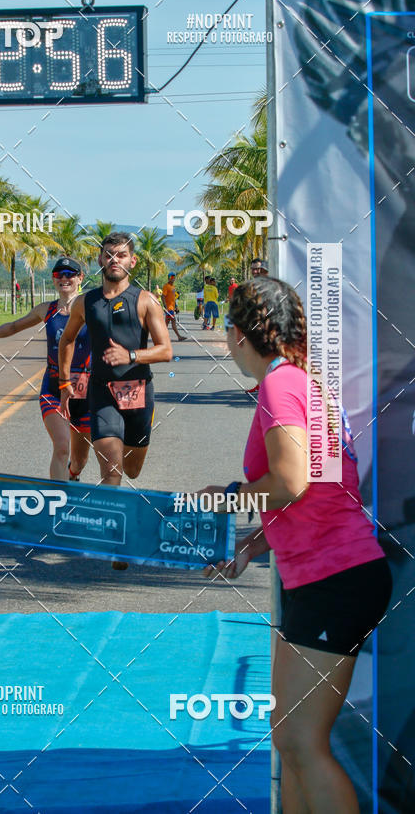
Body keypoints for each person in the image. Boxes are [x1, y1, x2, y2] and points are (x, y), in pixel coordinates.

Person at [197, 277, 392, 814]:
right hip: (322, 576)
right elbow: (313, 498)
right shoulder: (301, 382)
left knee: (302, 743)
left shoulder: (281, 387)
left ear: (237, 335)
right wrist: (250, 548)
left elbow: (291, 481)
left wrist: (230, 497)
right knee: (289, 740)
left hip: (337, 577)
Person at [59, 232, 173, 491]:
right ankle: (109, 526)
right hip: (101, 392)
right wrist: (64, 382)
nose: (114, 260)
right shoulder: (84, 302)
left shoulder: (146, 300)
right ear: (100, 259)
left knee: (132, 470)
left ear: (132, 261)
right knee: (112, 469)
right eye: (109, 255)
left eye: (121, 255)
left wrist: (131, 355)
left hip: (139, 393)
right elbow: (67, 340)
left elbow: (165, 350)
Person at [0, 257, 91, 481]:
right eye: (59, 274)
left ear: (80, 278)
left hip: (84, 392)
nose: (64, 278)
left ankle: (73, 473)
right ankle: (57, 504)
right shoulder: (45, 310)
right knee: (61, 448)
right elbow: (16, 325)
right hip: (54, 388)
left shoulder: (92, 307)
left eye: (70, 274)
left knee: (79, 460)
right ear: (53, 279)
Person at [160, 272, 187, 342]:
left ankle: (161, 337)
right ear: (168, 278)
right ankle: (178, 336)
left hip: (172, 307)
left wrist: (176, 307)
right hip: (169, 308)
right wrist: (165, 305)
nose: (173, 279)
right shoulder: (166, 286)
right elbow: (163, 296)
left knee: (167, 323)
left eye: (174, 277)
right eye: (171, 277)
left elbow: (173, 299)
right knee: (172, 321)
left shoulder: (173, 287)